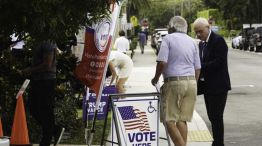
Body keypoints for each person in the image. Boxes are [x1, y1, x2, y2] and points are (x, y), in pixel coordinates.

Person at [151, 16, 201, 146]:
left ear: (172, 27)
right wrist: (193, 82)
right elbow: (198, 68)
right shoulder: (192, 41)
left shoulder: (168, 39)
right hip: (191, 83)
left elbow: (162, 63)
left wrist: (155, 79)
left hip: (174, 82)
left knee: (169, 120)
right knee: (181, 120)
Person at [193, 17, 231, 146]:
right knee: (212, 116)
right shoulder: (201, 44)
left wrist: (200, 66)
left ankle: (219, 143)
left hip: (219, 86)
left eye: (200, 31)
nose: (198, 34)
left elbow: (219, 62)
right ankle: (217, 142)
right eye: (196, 32)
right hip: (207, 86)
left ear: (208, 28)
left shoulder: (218, 40)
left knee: (216, 117)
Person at [22, 40, 65, 146]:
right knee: (33, 109)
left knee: (46, 110)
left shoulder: (48, 42)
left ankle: (46, 140)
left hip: (46, 81)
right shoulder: (40, 41)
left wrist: (30, 70)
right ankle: (54, 130)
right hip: (38, 80)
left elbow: (47, 65)